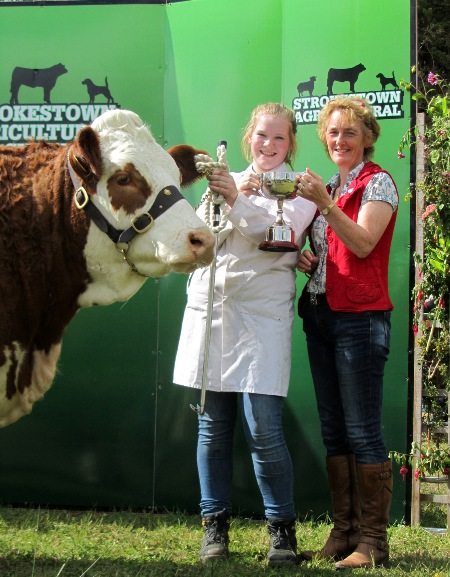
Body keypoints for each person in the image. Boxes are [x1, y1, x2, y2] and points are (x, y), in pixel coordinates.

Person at [173, 102, 316, 567]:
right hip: (213, 312)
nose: (268, 145)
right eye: (261, 136)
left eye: (278, 138)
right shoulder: (225, 180)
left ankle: (282, 533)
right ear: (247, 139)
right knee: (212, 428)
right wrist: (223, 196)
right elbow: (197, 237)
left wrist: (239, 198)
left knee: (265, 430)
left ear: (291, 143)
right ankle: (213, 529)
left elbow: (279, 234)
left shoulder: (301, 190)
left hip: (262, 319)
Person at [295, 97, 398, 570]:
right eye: (333, 132)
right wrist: (304, 260)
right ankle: (345, 531)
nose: (340, 140)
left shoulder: (378, 182)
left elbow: (362, 242)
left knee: (362, 431)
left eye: (350, 133)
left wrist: (325, 205)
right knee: (335, 429)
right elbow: (330, 250)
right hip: (320, 314)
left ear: (368, 138)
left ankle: (373, 541)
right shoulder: (332, 185)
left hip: (360, 318)